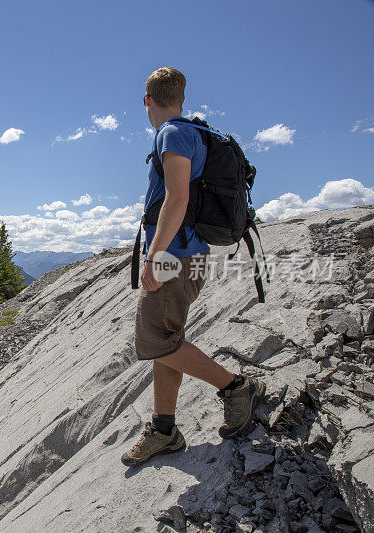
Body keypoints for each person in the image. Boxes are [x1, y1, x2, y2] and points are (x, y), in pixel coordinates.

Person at [121, 67, 265, 467]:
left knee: (156, 341)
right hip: (188, 253)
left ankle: (237, 388)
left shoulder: (172, 133)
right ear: (180, 97)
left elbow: (177, 198)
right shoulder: (197, 131)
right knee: (168, 341)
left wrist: (154, 256)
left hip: (174, 258)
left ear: (147, 99)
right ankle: (164, 429)